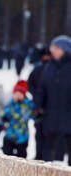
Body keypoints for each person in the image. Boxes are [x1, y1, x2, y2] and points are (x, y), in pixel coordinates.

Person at [35, 35, 71, 165]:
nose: (52, 50)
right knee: (47, 151)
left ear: (65, 50)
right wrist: (38, 106)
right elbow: (42, 89)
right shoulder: (49, 67)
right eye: (52, 47)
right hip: (51, 115)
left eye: (56, 48)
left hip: (68, 116)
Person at [28, 48, 51, 160]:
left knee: (42, 134)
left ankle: (43, 155)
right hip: (42, 108)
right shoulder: (39, 70)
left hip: (44, 108)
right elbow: (30, 85)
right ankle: (41, 155)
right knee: (41, 134)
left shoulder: (40, 70)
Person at [1, 80, 33, 159]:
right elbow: (3, 112)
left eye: (20, 94)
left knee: (21, 156)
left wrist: (37, 115)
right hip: (10, 134)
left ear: (24, 95)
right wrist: (4, 117)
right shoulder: (10, 104)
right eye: (16, 94)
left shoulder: (27, 104)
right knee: (7, 155)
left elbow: (32, 114)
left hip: (22, 135)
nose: (17, 96)